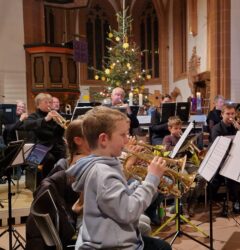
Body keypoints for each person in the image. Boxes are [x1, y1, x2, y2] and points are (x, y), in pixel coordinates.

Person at [66, 106, 171, 250]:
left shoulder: (105, 163)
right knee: (163, 247)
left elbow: (117, 198)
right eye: (123, 135)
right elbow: (129, 212)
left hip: (110, 237)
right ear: (103, 139)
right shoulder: (103, 173)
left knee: (160, 245)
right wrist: (151, 180)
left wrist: (139, 184)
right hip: (111, 245)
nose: (127, 139)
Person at [26, 119, 87, 250]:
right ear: (78, 140)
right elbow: (80, 206)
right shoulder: (82, 166)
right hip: (81, 226)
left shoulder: (69, 162)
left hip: (75, 221)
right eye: (92, 136)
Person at [209, 104, 240, 214]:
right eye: (228, 114)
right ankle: (236, 200)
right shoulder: (216, 129)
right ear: (222, 114)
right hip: (222, 160)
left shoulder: (236, 127)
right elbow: (218, 148)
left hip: (236, 158)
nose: (230, 116)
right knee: (232, 174)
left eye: (232, 113)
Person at [20, 93, 66, 180]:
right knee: (50, 159)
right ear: (38, 104)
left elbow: (58, 135)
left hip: (53, 146)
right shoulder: (33, 116)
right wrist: (45, 119)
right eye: (46, 102)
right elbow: (26, 125)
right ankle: (45, 183)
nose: (49, 104)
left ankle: (58, 181)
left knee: (65, 156)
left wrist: (60, 125)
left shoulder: (53, 116)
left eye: (50, 102)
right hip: (37, 148)